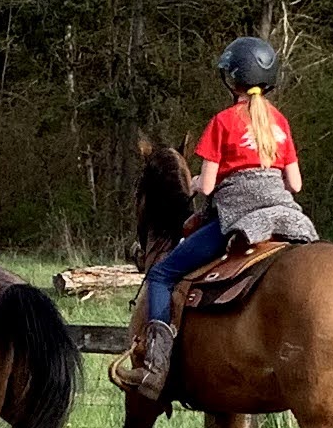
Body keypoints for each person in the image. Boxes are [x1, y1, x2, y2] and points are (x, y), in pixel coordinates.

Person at [115, 35, 314, 396]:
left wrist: (193, 183)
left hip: (239, 218)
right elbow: (295, 184)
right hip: (285, 218)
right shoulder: (280, 122)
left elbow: (207, 187)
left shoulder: (223, 122)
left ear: (231, 79)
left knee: (161, 275)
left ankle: (155, 368)